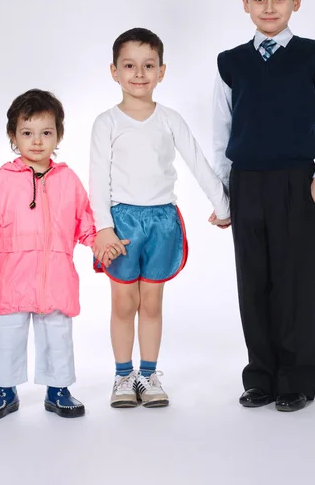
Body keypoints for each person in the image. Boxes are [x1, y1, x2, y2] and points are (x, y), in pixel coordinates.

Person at [212, 0, 315, 412]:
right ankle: (262, 376)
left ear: (296, 0)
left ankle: (295, 379)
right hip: (246, 181)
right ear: (244, 3)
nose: (268, 7)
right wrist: (223, 195)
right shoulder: (230, 63)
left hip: (296, 181)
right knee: (253, 281)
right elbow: (221, 132)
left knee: (293, 279)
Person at [90, 27, 230, 408]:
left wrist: (223, 205)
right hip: (121, 225)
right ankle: (123, 377)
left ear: (161, 72)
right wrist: (102, 229)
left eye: (148, 65)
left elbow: (198, 161)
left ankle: (149, 376)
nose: (139, 73)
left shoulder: (170, 119)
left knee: (151, 302)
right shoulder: (107, 123)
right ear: (114, 71)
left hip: (162, 221)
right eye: (130, 65)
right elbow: (97, 179)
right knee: (123, 303)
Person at [0, 89, 101, 420]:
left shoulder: (68, 180)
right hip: (12, 276)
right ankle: (4, 389)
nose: (37, 141)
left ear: (59, 133)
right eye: (27, 133)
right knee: (8, 335)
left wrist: (101, 245)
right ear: (13, 135)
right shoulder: (3, 180)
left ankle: (58, 390)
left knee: (57, 333)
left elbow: (85, 221)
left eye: (46, 132)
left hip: (55, 275)